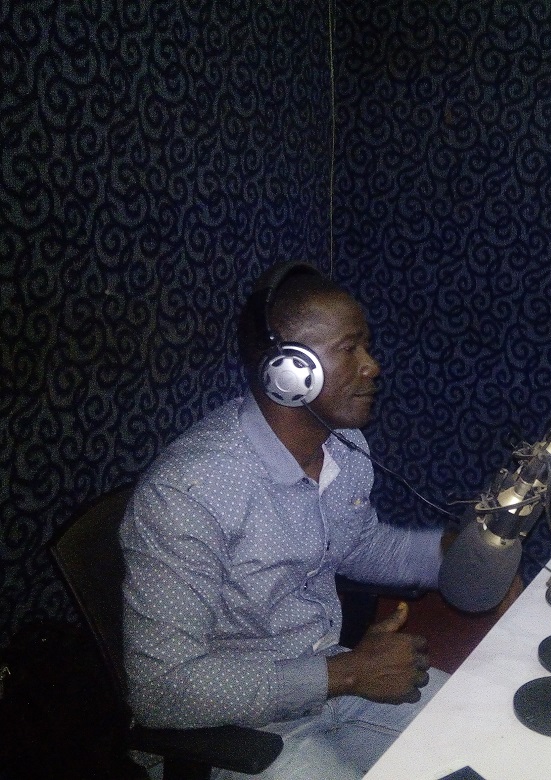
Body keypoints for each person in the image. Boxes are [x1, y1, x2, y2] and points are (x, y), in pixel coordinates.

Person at [121, 261, 448, 780]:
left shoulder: (343, 446)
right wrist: (345, 672)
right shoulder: (187, 493)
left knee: (474, 726)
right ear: (290, 371)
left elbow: (359, 544)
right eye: (350, 348)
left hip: (330, 684)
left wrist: (454, 556)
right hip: (229, 731)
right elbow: (161, 690)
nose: (372, 366)